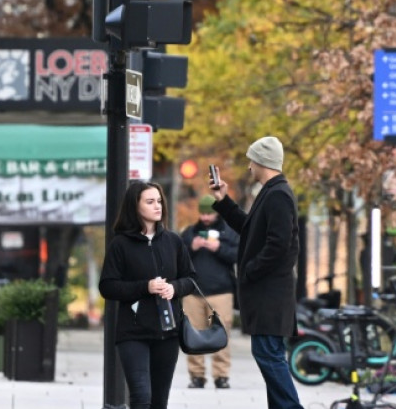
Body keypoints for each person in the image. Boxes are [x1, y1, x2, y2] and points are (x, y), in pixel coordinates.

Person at [208, 136, 303, 409]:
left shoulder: (279, 195)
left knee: (269, 355)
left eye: (251, 160)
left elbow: (278, 245)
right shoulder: (272, 192)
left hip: (270, 293)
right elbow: (250, 230)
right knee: (268, 353)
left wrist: (249, 271)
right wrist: (223, 200)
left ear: (262, 161)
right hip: (268, 293)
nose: (249, 166)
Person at [99, 181, 197, 409]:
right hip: (133, 332)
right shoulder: (120, 245)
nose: (157, 206)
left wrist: (175, 288)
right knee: (141, 397)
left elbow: (191, 279)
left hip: (168, 332)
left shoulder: (173, 241)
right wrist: (146, 287)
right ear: (135, 207)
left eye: (159, 201)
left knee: (159, 401)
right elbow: (107, 287)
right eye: (150, 202)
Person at [180, 194, 238, 389]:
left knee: (222, 334)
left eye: (209, 214)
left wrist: (219, 248)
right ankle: (196, 376)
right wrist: (192, 248)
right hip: (193, 293)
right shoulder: (189, 233)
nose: (205, 217)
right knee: (192, 334)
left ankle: (222, 376)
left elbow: (237, 256)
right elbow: (177, 258)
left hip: (221, 292)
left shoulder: (228, 232)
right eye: (202, 213)